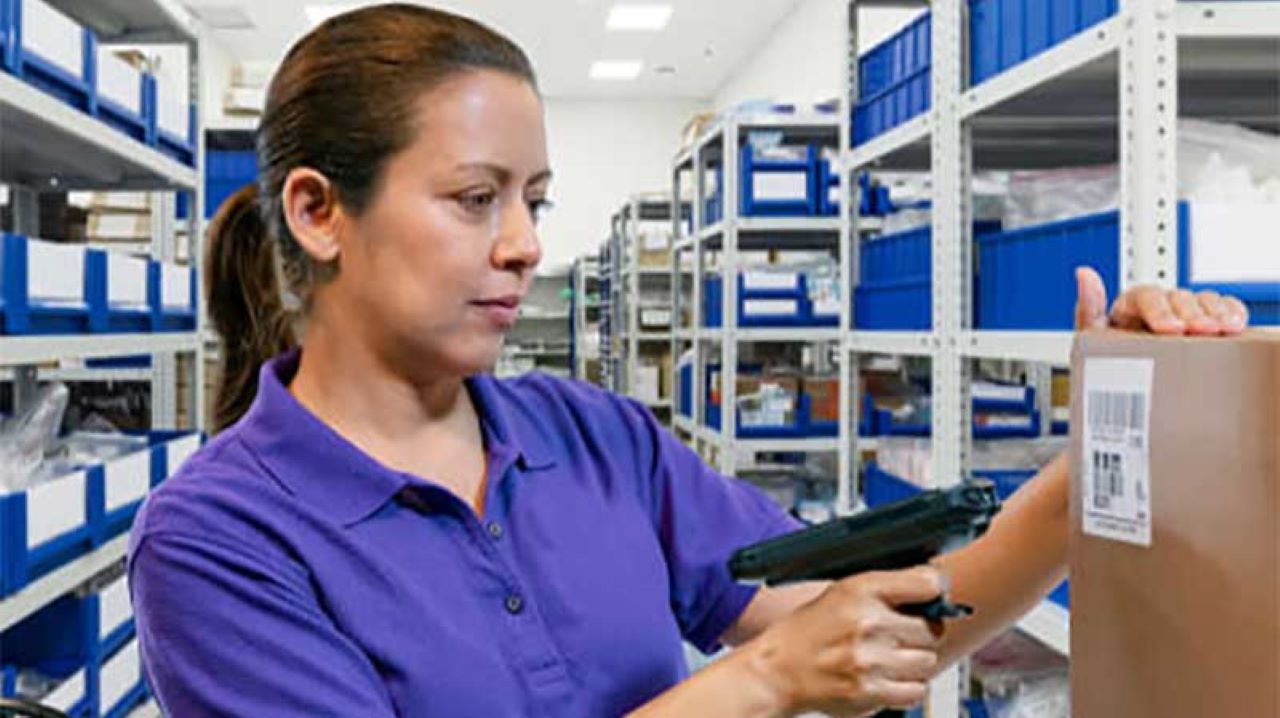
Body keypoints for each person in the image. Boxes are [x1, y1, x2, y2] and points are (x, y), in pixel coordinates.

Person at [126, 5, 1252, 717]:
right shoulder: (218, 541)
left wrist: (1101, 446)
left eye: (533, 200)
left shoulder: (589, 437)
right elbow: (779, 664)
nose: (523, 242)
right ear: (319, 212)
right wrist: (758, 680)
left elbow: (882, 626)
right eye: (475, 199)